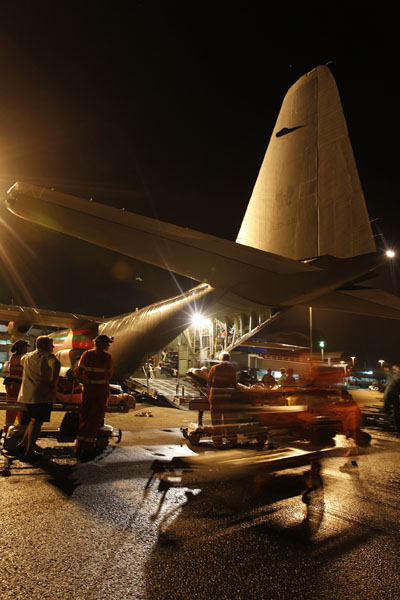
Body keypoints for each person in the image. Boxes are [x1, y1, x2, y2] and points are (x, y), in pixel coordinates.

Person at [14, 336, 60, 462]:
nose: (53, 347)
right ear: (45, 346)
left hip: (26, 395)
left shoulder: (27, 357)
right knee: (37, 423)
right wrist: (53, 382)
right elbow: (56, 364)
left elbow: (20, 361)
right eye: (51, 344)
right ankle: (29, 452)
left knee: (32, 422)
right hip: (41, 395)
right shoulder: (47, 356)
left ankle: (22, 446)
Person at [74, 334, 114, 460]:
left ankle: (79, 447)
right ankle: (88, 448)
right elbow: (109, 374)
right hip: (100, 391)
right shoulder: (107, 357)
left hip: (88, 390)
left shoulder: (86, 354)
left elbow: (78, 371)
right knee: (95, 420)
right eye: (107, 343)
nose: (108, 345)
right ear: (101, 344)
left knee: (84, 417)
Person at [207, 351, 237, 447]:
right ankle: (231, 439)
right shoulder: (232, 370)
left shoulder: (214, 368)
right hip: (227, 397)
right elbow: (234, 384)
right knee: (229, 419)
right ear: (229, 359)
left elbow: (208, 383)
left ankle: (217, 441)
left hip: (215, 396)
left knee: (216, 420)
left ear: (220, 359)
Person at [2, 340, 30, 439]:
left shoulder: (13, 357)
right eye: (25, 347)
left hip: (12, 385)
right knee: (18, 408)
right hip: (17, 386)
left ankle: (9, 429)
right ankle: (19, 430)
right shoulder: (23, 358)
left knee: (12, 408)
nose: (27, 349)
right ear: (21, 348)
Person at [383, 364, 400, 432]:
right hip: (391, 395)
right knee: (393, 410)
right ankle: (394, 424)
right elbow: (387, 371)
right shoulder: (393, 375)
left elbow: (387, 371)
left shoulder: (393, 376)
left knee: (394, 411)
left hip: (391, 395)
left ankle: (395, 425)